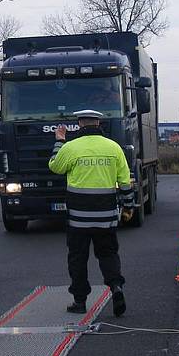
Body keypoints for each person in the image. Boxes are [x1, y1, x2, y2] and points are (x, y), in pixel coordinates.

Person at [48, 109, 133, 317]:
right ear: (99, 124)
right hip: (106, 217)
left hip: (78, 219)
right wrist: (129, 207)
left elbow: (55, 167)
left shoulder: (71, 147)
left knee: (78, 258)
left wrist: (59, 140)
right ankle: (116, 287)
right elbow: (125, 181)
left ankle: (79, 301)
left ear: (80, 124)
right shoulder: (114, 147)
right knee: (108, 253)